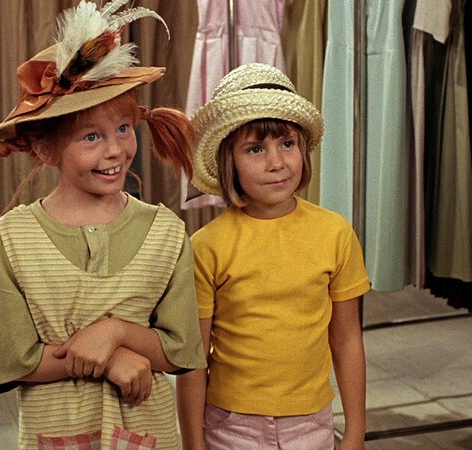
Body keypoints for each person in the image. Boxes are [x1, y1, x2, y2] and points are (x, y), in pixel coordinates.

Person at [0, 2, 207, 449]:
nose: (115, 150)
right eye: (91, 136)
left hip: (149, 434)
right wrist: (111, 361)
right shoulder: (15, 238)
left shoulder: (166, 232)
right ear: (45, 150)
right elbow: (11, 358)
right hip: (54, 433)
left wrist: (117, 333)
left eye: (124, 128)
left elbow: (181, 351)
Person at [176, 63, 371, 450]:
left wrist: (356, 431)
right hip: (230, 426)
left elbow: (347, 338)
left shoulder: (335, 233)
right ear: (229, 161)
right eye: (255, 149)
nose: (277, 162)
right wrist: (193, 445)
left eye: (287, 144)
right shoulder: (207, 246)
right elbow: (193, 359)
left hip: (312, 423)